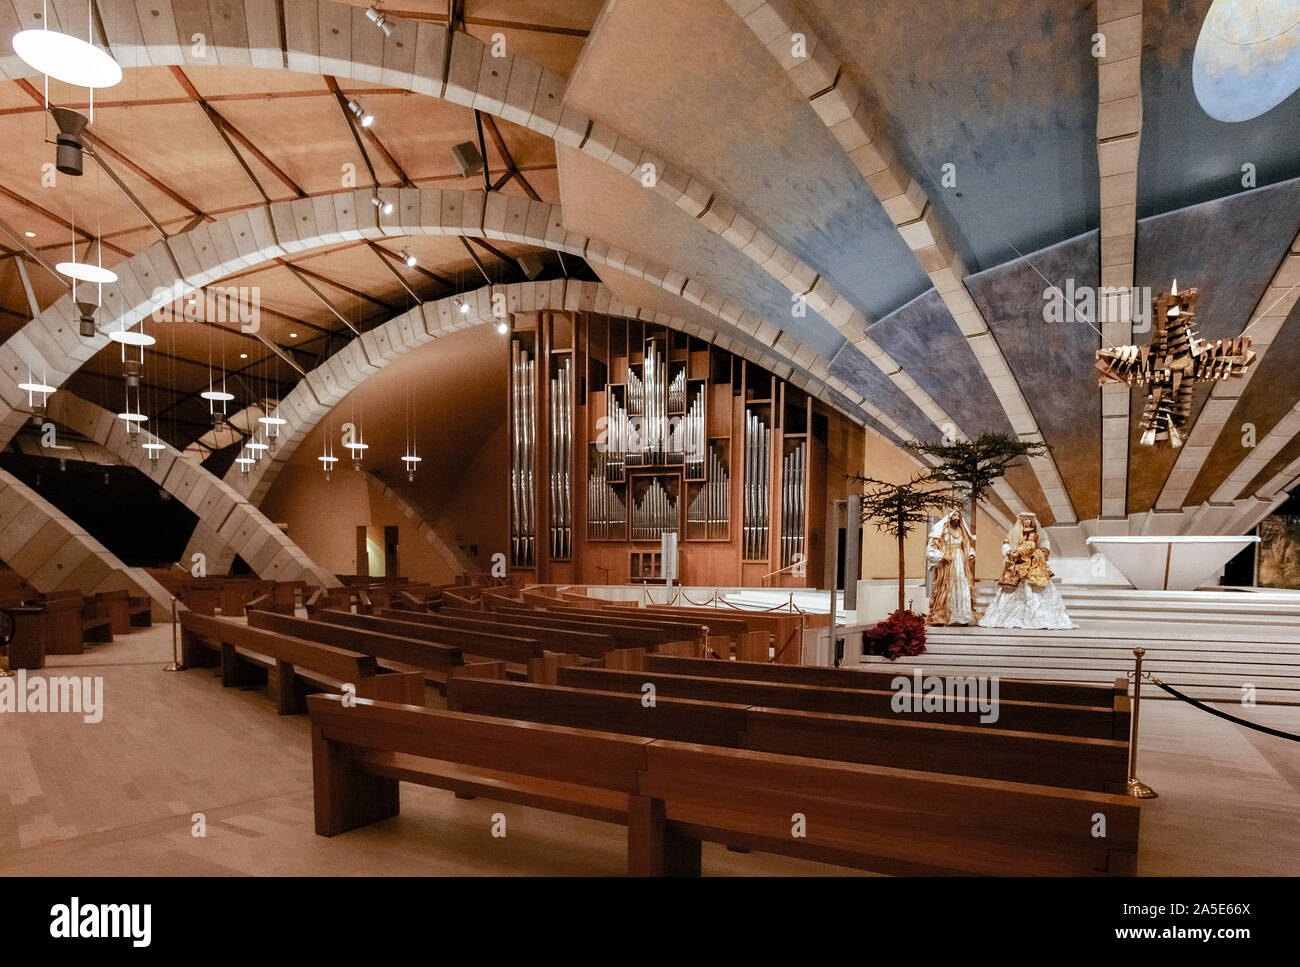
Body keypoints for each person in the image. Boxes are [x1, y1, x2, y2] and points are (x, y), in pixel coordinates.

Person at [980, 512, 1076, 629]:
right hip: (1019, 564)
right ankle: (1014, 616)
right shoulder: (1015, 533)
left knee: (1039, 589)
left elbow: (1045, 543)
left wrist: (1041, 552)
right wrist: (1012, 553)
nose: (1027, 521)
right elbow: (1006, 544)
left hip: (1034, 565)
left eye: (1029, 519)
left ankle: (1039, 616)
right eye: (1025, 519)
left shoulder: (1039, 533)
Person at [925, 508, 976, 626]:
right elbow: (932, 547)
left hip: (961, 562)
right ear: (950, 517)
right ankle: (940, 617)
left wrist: (971, 554)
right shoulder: (943, 531)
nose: (956, 518)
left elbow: (967, 546)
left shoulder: (962, 531)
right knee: (947, 587)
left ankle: (963, 617)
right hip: (948, 563)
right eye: (954, 516)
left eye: (958, 516)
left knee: (962, 586)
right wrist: (942, 556)